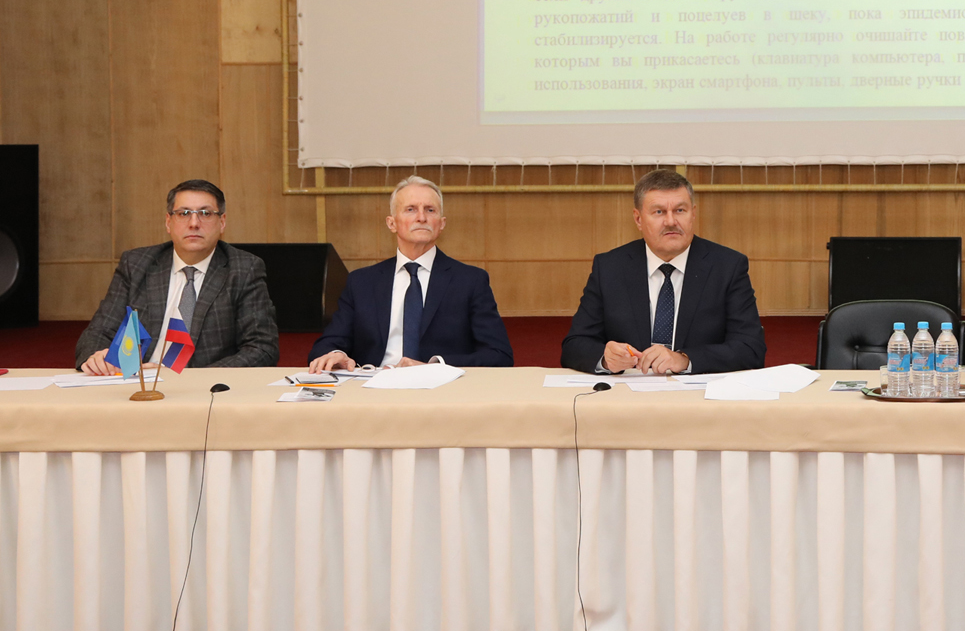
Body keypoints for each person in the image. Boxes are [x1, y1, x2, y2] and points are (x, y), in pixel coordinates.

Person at [561, 169, 766, 375]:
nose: (670, 221)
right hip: (628, 388)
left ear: (693, 214)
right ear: (638, 219)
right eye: (659, 212)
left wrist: (684, 359)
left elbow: (751, 348)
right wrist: (606, 359)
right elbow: (574, 345)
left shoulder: (728, 266)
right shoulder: (610, 267)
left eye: (680, 210)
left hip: (698, 390)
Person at [308, 176, 513, 371]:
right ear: (392, 223)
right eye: (411, 209)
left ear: (441, 224)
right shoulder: (361, 282)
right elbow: (327, 344)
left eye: (430, 210)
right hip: (373, 385)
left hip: (440, 387)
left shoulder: (470, 281)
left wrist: (435, 366)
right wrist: (336, 354)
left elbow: (499, 354)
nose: (421, 218)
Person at [75, 179, 279, 373]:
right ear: (168, 222)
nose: (194, 223)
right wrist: (96, 357)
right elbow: (98, 332)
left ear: (222, 222)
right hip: (139, 381)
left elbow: (262, 348)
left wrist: (191, 378)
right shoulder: (136, 264)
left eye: (205, 213)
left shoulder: (243, 269)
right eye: (184, 213)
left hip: (203, 387)